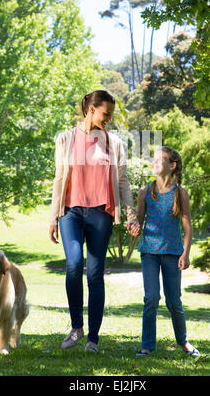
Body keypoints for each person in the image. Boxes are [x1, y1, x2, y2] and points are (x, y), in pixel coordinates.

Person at [49, 90, 140, 353]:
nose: (108, 119)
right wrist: (53, 217)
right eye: (105, 114)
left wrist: (131, 215)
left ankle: (93, 339)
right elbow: (58, 180)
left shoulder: (115, 144)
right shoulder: (66, 139)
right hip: (71, 212)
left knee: (95, 275)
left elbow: (122, 183)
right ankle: (76, 327)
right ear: (91, 110)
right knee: (74, 264)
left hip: (102, 214)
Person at [136, 146, 200, 357]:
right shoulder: (145, 192)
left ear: (172, 166)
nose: (153, 162)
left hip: (173, 254)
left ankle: (183, 342)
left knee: (174, 301)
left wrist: (186, 253)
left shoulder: (180, 193)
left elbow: (188, 226)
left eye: (159, 159)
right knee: (151, 297)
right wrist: (134, 226)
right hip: (149, 253)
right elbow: (138, 221)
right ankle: (147, 346)